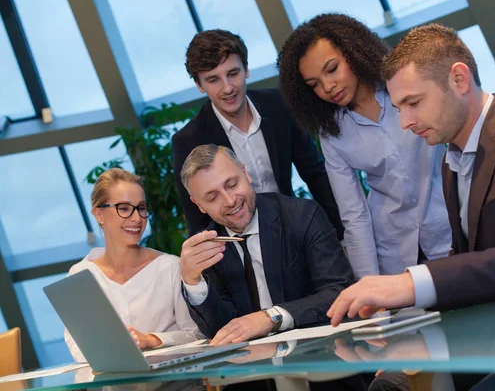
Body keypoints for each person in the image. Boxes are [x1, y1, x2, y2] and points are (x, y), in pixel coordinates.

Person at [327, 22, 495, 326]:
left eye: (413, 103)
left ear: (459, 79)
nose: (405, 122)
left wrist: (411, 283)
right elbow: (471, 258)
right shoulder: (450, 161)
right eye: (399, 108)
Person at [277, 14, 451, 279]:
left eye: (332, 69)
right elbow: (354, 217)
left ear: (353, 51)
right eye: (314, 84)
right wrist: (371, 295)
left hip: (451, 229)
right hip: (396, 251)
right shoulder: (332, 134)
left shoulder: (405, 87)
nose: (328, 87)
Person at [173, 29, 344, 241]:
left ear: (246, 69)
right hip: (241, 247)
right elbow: (197, 218)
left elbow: (314, 173)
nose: (228, 88)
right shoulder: (188, 140)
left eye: (233, 73)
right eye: (213, 79)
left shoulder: (279, 104)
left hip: (293, 231)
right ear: (199, 85)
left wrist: (341, 235)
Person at [178, 144, 354, 343]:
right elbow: (219, 330)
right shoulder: (207, 246)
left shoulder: (302, 216)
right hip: (255, 368)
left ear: (246, 173)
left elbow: (338, 291)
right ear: (198, 205)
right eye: (212, 197)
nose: (229, 201)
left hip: (323, 354)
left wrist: (271, 318)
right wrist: (192, 282)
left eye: (232, 184)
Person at [64, 168, 203, 362]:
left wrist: (153, 340)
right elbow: (77, 344)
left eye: (141, 207)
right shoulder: (80, 275)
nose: (137, 218)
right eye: (124, 208)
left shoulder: (171, 267)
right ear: (99, 214)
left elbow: (198, 335)